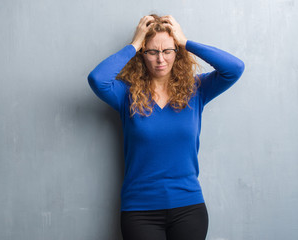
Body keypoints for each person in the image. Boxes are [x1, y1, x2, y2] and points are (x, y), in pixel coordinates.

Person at [87, 14, 245, 240]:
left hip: (189, 208)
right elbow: (97, 79)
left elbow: (235, 68)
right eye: (152, 51)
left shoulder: (196, 90)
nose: (160, 59)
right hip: (139, 211)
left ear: (176, 53)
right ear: (142, 54)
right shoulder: (126, 94)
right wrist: (134, 43)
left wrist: (185, 42)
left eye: (168, 51)